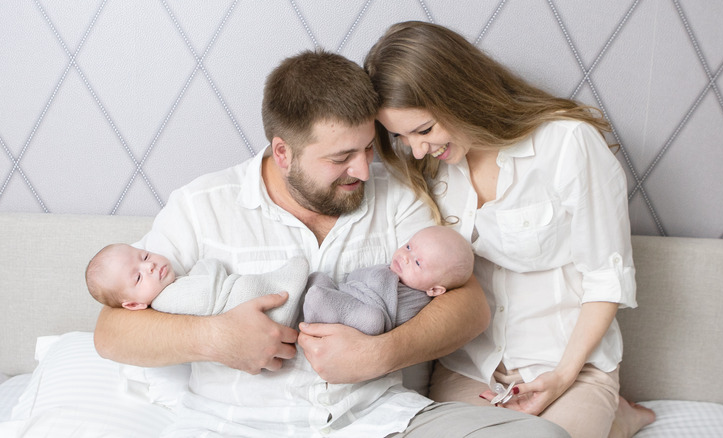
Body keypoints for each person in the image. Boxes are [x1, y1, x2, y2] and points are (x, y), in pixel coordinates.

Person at [92, 49, 568, 437]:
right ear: (283, 152)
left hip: (381, 423)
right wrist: (215, 338)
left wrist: (380, 354)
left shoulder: (397, 201)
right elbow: (111, 333)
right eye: (341, 157)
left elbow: (470, 306)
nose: (363, 170)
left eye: (367, 148)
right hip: (232, 425)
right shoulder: (200, 206)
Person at [365, 21, 656, 438]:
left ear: (460, 92)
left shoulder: (567, 144)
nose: (416, 149)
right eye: (400, 136)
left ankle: (614, 416)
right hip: (471, 369)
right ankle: (613, 421)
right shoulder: (428, 166)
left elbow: (605, 279)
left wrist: (562, 377)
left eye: (424, 130)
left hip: (566, 368)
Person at [304, 225, 474, 335]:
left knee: (372, 319)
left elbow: (392, 320)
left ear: (435, 290)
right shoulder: (394, 270)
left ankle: (315, 302)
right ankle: (300, 300)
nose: (405, 257)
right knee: (319, 278)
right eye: (408, 247)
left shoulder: (419, 300)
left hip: (368, 318)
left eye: (417, 262)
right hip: (349, 295)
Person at [85, 243, 308, 327]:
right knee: (250, 288)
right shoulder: (167, 301)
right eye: (138, 278)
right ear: (134, 305)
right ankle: (289, 290)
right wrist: (207, 265)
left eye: (144, 256)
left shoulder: (173, 286)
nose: (150, 266)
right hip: (242, 306)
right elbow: (208, 294)